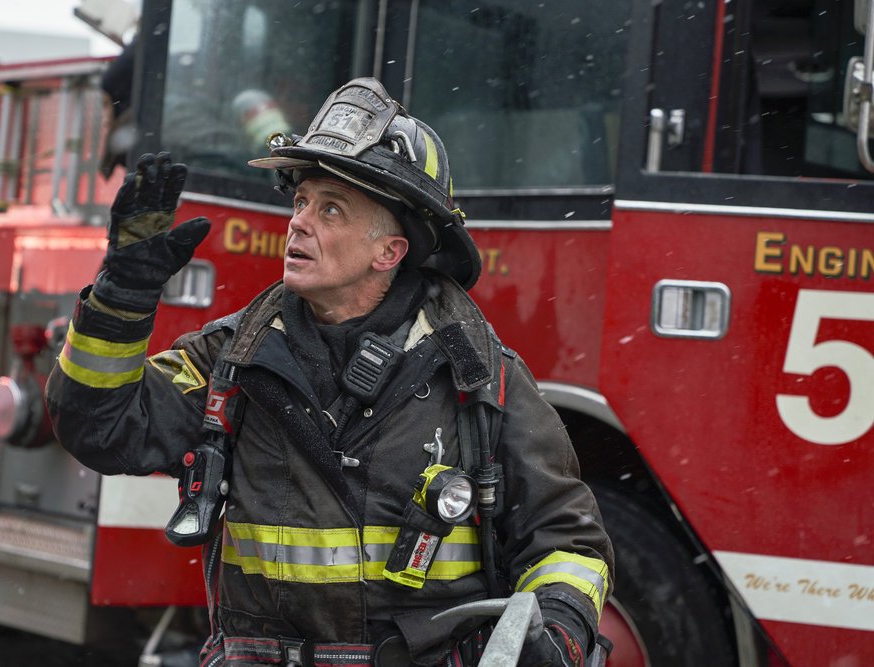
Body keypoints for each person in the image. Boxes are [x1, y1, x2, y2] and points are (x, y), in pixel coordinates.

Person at [46, 77, 613, 667]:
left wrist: (558, 631)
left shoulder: (479, 380)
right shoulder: (231, 362)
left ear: (388, 252)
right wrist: (120, 301)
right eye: (300, 202)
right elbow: (98, 428)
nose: (298, 223)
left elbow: (566, 539)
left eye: (330, 209)